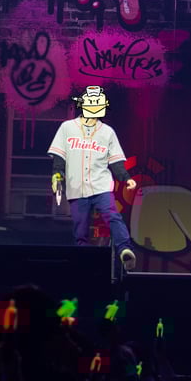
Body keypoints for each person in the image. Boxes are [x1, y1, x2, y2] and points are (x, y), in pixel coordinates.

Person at [48, 85, 137, 271]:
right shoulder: (67, 128)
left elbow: (115, 161)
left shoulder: (107, 132)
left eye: (99, 104)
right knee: (80, 227)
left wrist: (126, 177)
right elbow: (59, 156)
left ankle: (124, 249)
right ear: (82, 104)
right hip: (77, 186)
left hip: (100, 185)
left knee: (112, 216)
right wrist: (57, 176)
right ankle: (84, 262)